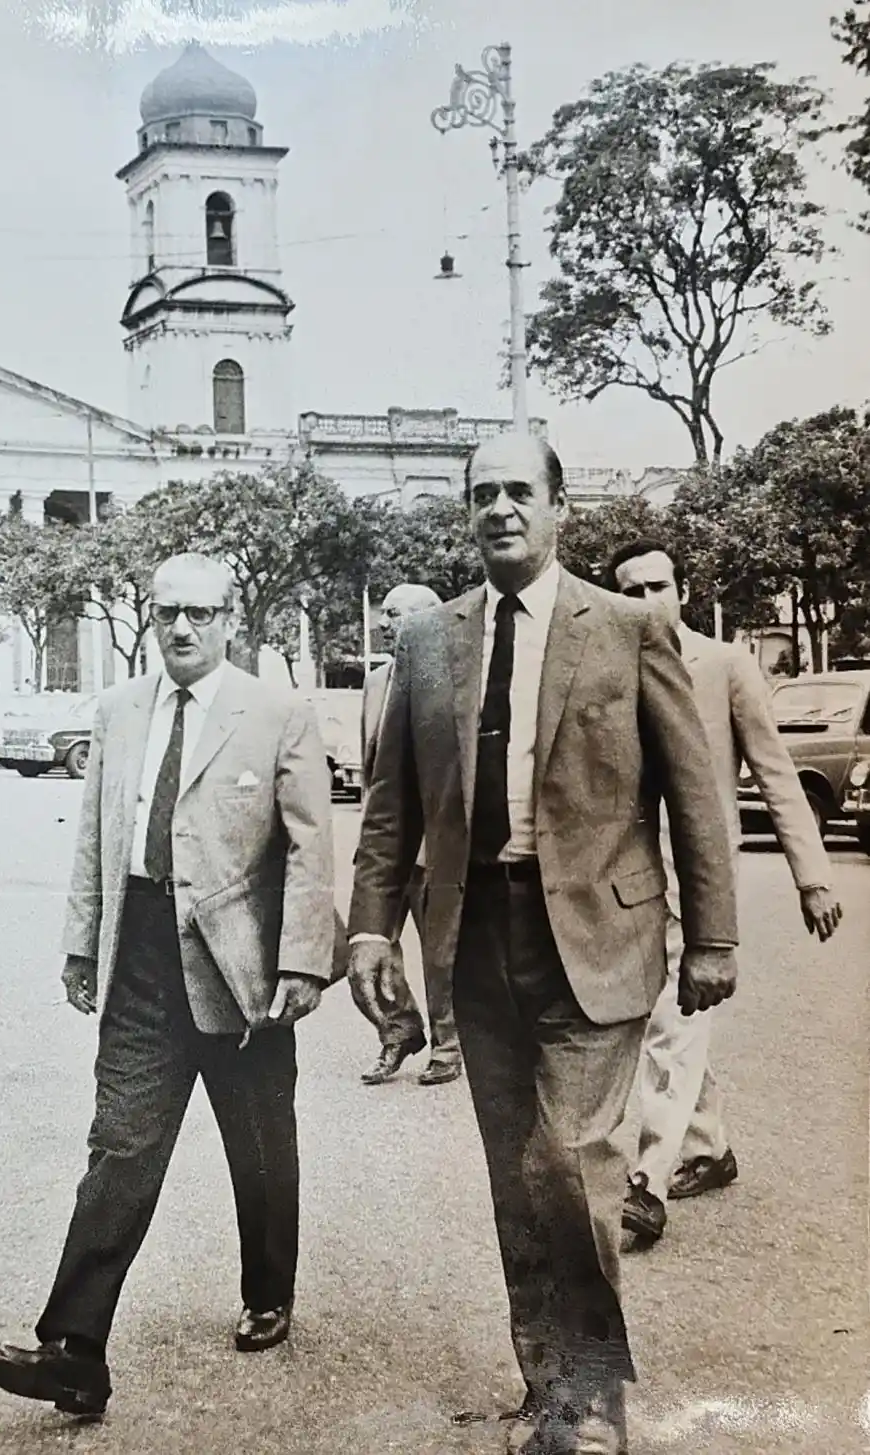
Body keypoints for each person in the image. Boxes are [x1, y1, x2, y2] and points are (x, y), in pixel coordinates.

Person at [348, 432, 739, 1455]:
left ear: (560, 508)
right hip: (475, 937)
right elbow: (391, 806)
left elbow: (694, 791)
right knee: (515, 1174)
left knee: (570, 1160)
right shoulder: (428, 640)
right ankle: (547, 1387)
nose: (500, 509)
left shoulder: (624, 628)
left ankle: (595, 1392)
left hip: (598, 933)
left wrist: (714, 937)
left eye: (521, 491)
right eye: (483, 494)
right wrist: (369, 930)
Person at [0, 553, 336, 1419]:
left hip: (237, 963)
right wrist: (80, 945)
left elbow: (308, 845)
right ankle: (74, 1349)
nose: (182, 627)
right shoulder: (118, 711)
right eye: (168, 611)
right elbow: (97, 836)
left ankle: (268, 1287)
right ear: (151, 618)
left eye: (201, 613)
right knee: (121, 1146)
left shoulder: (278, 711)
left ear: (229, 622)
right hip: (139, 952)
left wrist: (300, 960)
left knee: (258, 1144)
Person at [608, 538, 842, 1248]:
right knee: (670, 1019)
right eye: (632, 589)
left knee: (673, 1019)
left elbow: (775, 775)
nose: (647, 600)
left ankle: (646, 1180)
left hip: (701, 881)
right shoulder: (613, 665)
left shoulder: (727, 665)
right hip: (629, 881)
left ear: (680, 588)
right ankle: (709, 1146)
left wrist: (813, 876)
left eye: (658, 584)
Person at [356, 582, 462, 1087]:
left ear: (429, 620)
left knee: (441, 954)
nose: (383, 623)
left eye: (394, 614)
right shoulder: (376, 682)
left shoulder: (451, 682)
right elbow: (372, 771)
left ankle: (449, 1045)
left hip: (433, 850)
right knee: (369, 947)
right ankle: (399, 1029)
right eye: (384, 613)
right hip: (385, 849)